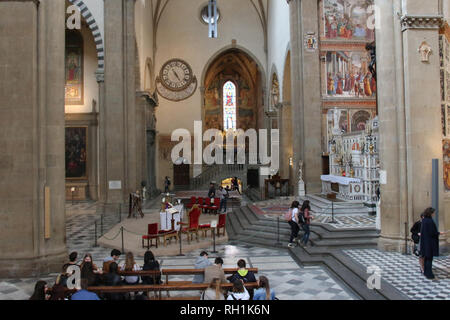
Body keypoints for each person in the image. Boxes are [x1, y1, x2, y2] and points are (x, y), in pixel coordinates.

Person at [419, 207, 445, 280]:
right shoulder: (429, 221)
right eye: (433, 213)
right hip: (430, 243)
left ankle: (426, 272)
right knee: (429, 258)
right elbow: (432, 233)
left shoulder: (424, 220)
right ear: (430, 213)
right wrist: (439, 233)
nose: (434, 214)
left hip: (425, 242)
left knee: (427, 258)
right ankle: (429, 274)